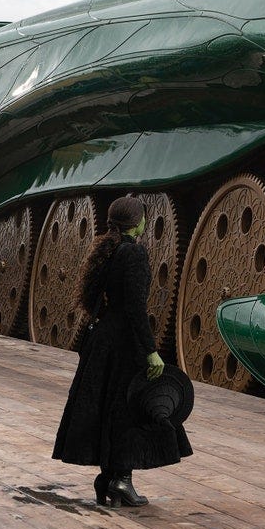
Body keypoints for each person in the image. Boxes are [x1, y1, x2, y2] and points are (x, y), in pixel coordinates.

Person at [52, 195, 191, 507]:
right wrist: (151, 351)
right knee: (130, 410)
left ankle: (108, 479)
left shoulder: (107, 249)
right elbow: (135, 309)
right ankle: (121, 480)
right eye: (143, 216)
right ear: (138, 222)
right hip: (124, 342)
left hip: (103, 340)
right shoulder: (135, 252)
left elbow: (104, 301)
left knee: (107, 409)